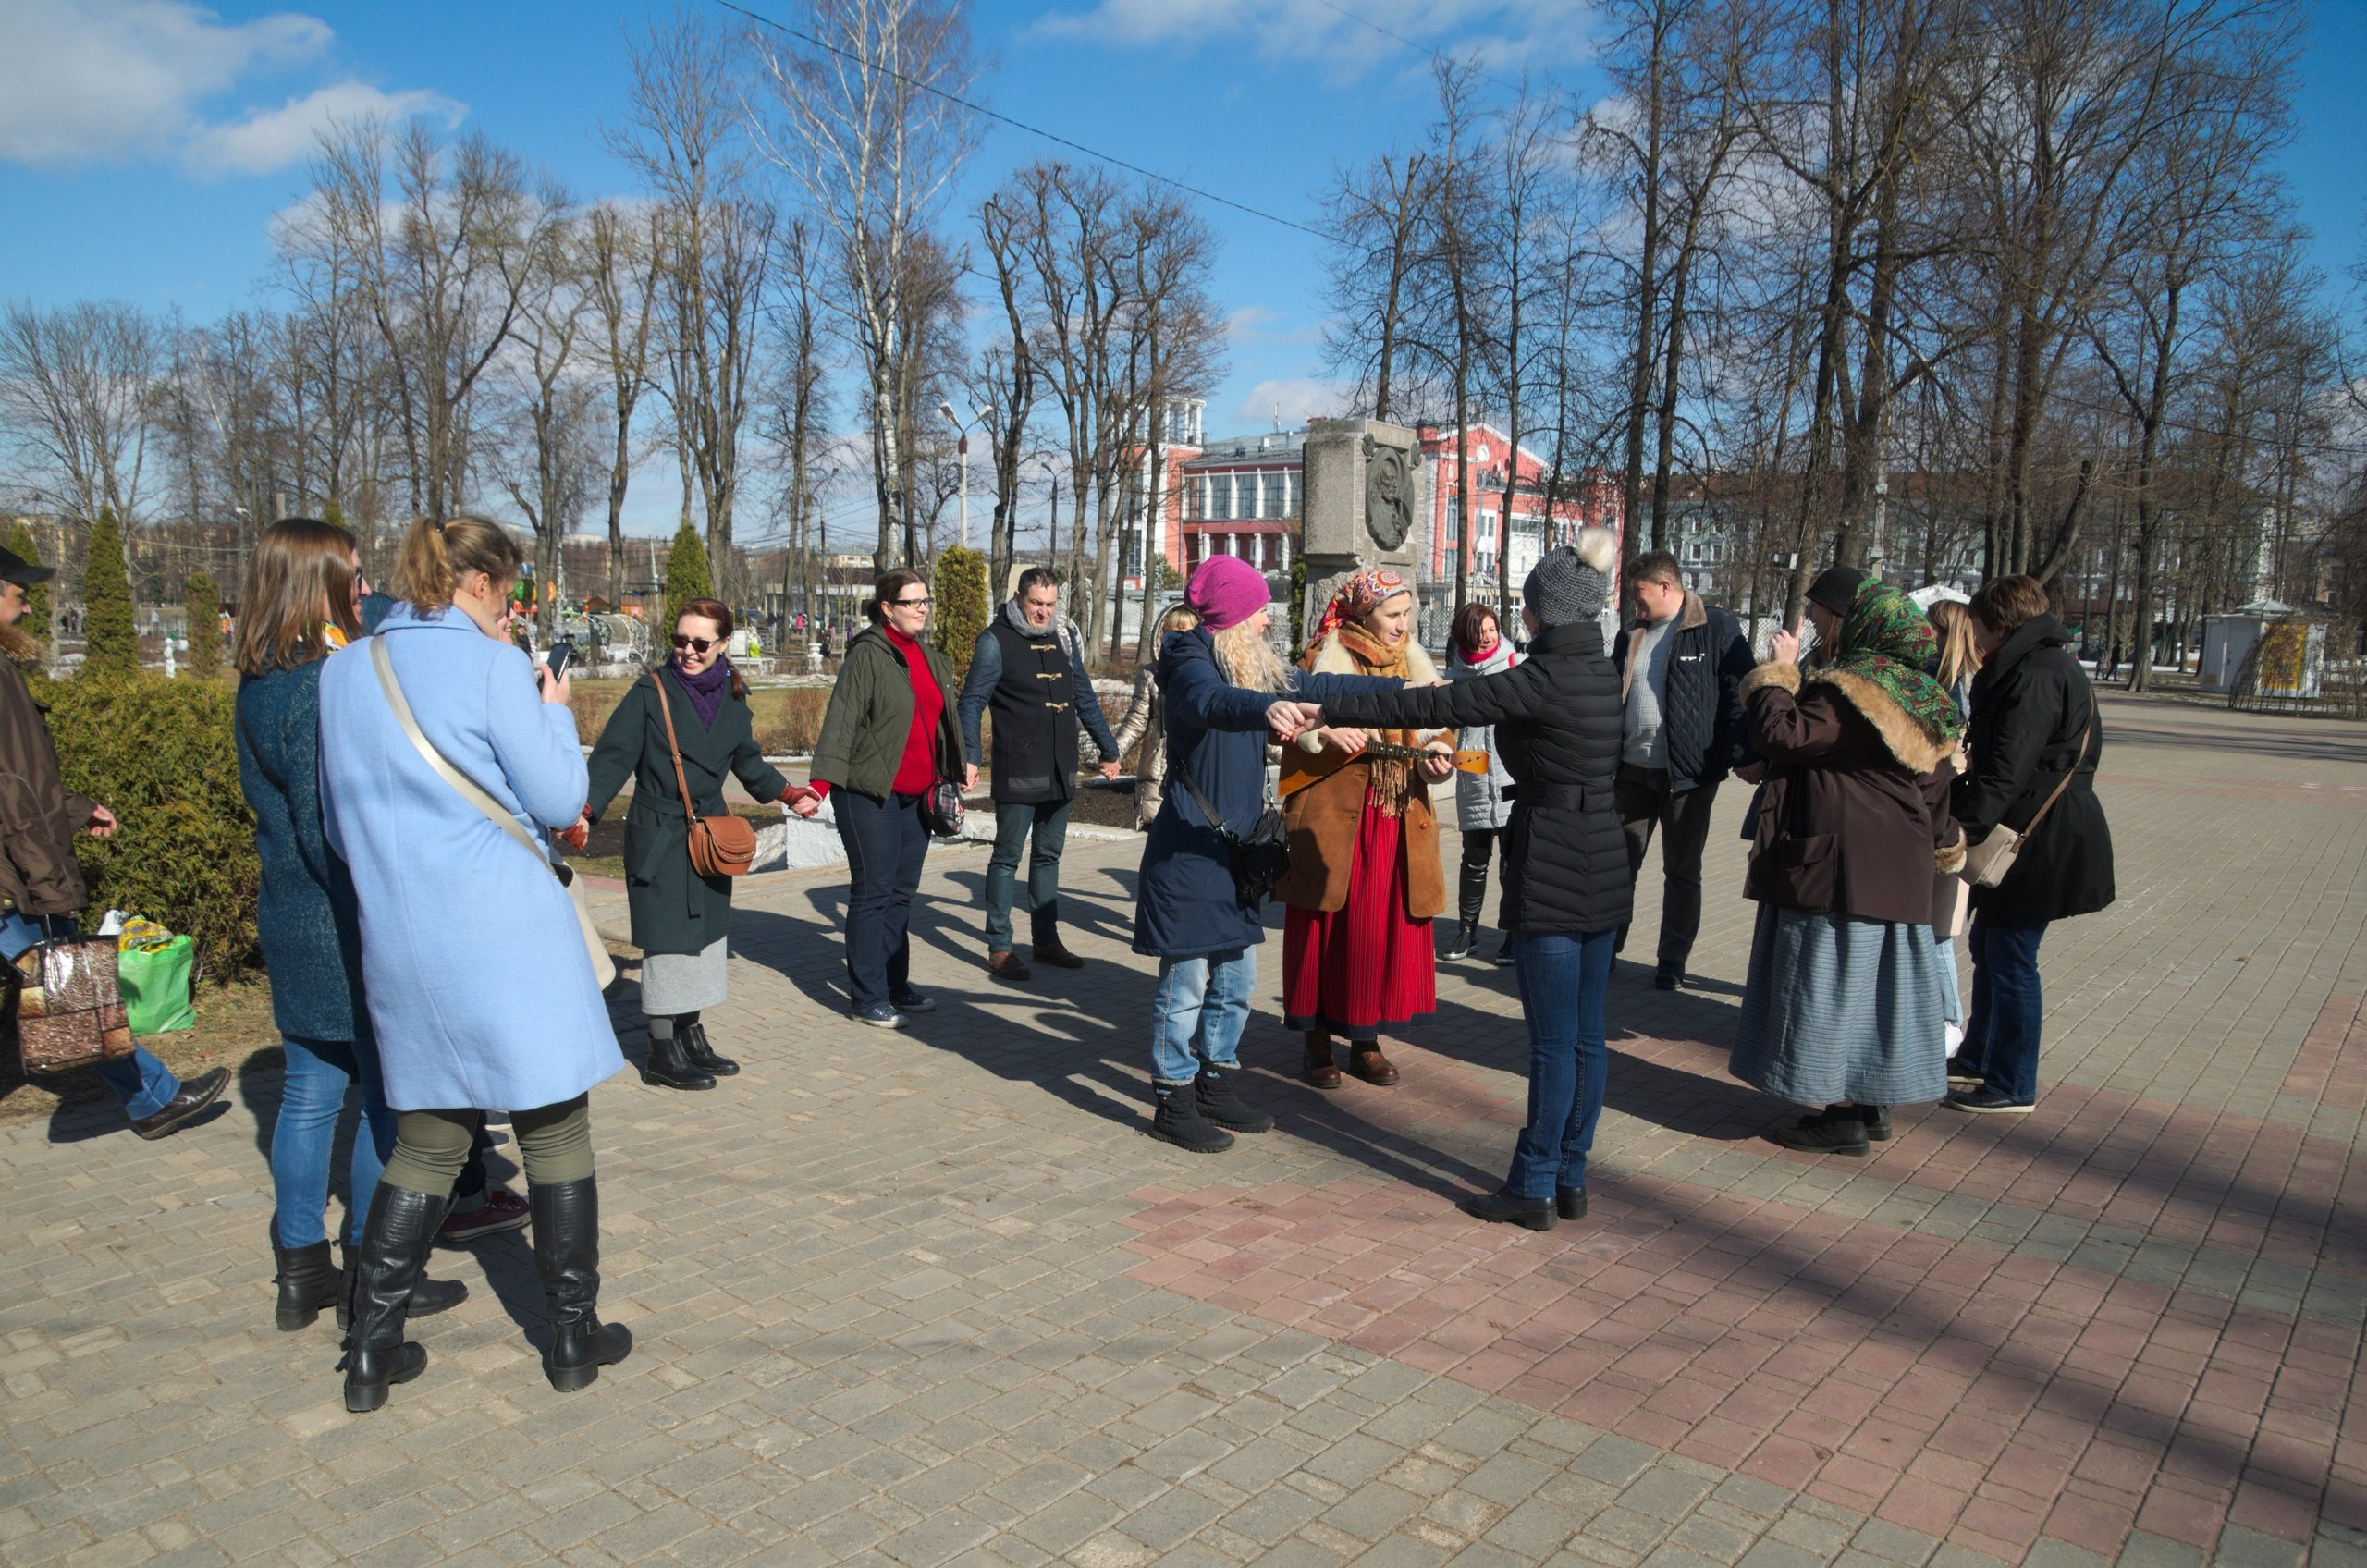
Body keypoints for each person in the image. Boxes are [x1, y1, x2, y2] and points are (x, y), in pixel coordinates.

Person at [319, 515, 632, 1413]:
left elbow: (339, 829)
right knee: (553, 1131)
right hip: (506, 933)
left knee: (427, 1138)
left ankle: (372, 1349)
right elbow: (561, 797)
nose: (514, 609)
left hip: (403, 938)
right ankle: (571, 1336)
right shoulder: (498, 667)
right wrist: (553, 707)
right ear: (482, 583)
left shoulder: (346, 670)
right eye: (511, 592)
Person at [1307, 534, 1632, 1229]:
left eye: (1528, 605)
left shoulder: (1541, 678)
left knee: (1552, 1042)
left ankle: (1534, 1183)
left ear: (1545, 611)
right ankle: (1570, 1176)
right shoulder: (1601, 671)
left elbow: (1425, 709)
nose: (1522, 616)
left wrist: (1319, 692)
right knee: (1586, 1037)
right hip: (1606, 863)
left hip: (1551, 862)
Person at [234, 519, 469, 1331]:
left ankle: (302, 1269)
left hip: (290, 912)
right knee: (384, 1104)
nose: (367, 588)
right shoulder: (315, 685)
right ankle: (376, 1271)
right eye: (354, 576)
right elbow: (322, 823)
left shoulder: (261, 679)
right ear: (317, 586)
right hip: (338, 916)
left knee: (307, 1095)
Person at [1131, 555, 1401, 1152]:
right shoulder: (1189, 656)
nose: (1264, 624)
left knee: (1236, 980)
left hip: (1238, 856)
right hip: (1190, 854)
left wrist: (1410, 693)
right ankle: (1173, 1096)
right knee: (1185, 987)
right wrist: (1265, 709)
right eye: (1256, 613)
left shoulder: (1248, 662)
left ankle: (1216, 1079)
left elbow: (1329, 686)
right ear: (1229, 617)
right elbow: (1207, 703)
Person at [1726, 567, 1967, 1157]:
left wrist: (1777, 676)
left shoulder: (1853, 688)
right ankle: (1870, 1106)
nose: (1811, 625)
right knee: (1877, 992)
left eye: (1820, 617)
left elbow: (1783, 735)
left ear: (1852, 621)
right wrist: (1943, 843)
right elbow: (1935, 784)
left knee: (1832, 988)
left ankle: (1841, 1117)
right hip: (1896, 862)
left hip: (1842, 863)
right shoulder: (1917, 690)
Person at [0, 544, 227, 1140]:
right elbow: (12, 793)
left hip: (12, 866)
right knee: (70, 983)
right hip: (9, 876)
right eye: (20, 595)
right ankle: (153, 1097)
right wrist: (48, 884)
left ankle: (153, 1097)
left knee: (72, 986)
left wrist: (75, 808)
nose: (26, 609)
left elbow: (24, 777)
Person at [584, 598, 790, 1090]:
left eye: (701, 643)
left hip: (709, 835)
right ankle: (660, 1050)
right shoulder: (649, 692)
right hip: (661, 833)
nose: (688, 651)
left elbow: (749, 761)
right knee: (667, 942)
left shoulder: (733, 697)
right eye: (679, 641)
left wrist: (787, 792)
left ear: (723, 645)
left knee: (705, 938)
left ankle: (689, 1032)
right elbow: (612, 757)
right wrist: (584, 810)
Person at [1280, 568, 1456, 1091]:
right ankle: (1313, 1036)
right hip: (1334, 819)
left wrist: (1438, 752)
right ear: (1362, 615)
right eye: (1393, 615)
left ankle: (1365, 1038)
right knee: (1324, 927)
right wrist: (1323, 736)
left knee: (1378, 931)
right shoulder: (1319, 660)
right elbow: (1286, 730)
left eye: (1407, 614)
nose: (1403, 625)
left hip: (1397, 817)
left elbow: (1441, 726)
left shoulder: (1417, 664)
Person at [1946, 574, 2116, 1114]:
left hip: (2036, 837)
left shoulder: (2038, 672)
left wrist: (1961, 826)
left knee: (2012, 957)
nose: (1971, 634)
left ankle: (2013, 1082)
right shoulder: (2039, 664)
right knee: (1990, 949)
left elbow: (2007, 769)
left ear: (1998, 622)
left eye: (1976, 623)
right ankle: (1980, 1058)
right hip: (2027, 831)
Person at [787, 569, 966, 1029]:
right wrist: (820, 786)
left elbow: (944, 719)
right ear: (887, 608)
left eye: (926, 600)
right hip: (868, 793)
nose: (923, 608)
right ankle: (867, 997)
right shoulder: (867, 656)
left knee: (902, 895)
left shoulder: (930, 657)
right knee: (873, 892)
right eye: (912, 602)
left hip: (917, 797)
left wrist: (957, 764)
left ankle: (894, 984)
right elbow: (842, 722)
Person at [957, 568, 1122, 983]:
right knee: (1007, 856)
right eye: (1036, 604)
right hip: (1019, 767)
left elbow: (1083, 695)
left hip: (1060, 767)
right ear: (1019, 597)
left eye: (1050, 605)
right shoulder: (994, 641)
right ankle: (999, 946)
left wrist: (1109, 747)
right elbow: (971, 702)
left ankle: (1046, 940)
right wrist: (970, 757)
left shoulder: (1063, 637)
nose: (1043, 612)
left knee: (1049, 856)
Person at [1612, 550, 1755, 991]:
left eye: (1639, 594)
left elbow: (1740, 693)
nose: (1635, 604)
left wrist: (1742, 752)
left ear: (1666, 587)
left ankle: (1672, 960)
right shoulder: (1630, 635)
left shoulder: (1715, 627)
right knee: (1619, 865)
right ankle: (1606, 949)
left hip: (1689, 776)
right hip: (1632, 771)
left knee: (1682, 869)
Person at [1441, 603, 1519, 965]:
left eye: (1492, 628)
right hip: (1472, 769)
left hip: (1509, 769)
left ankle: (1513, 934)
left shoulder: (1514, 663)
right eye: (1481, 631)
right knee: (1474, 857)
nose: (1488, 636)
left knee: (1513, 860)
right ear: (1465, 635)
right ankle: (1467, 932)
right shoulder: (1455, 673)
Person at [1110, 603, 1202, 830]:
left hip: (1197, 766)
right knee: (1159, 842)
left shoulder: (1207, 674)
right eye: (1174, 632)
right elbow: (1136, 721)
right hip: (1159, 770)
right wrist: (1113, 754)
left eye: (1188, 633)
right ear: (1162, 635)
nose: (1180, 639)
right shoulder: (1151, 674)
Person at [1927, 598, 1981, 724]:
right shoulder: (1933, 667)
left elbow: (1955, 728)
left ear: (1948, 633)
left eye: (1927, 625)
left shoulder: (1964, 679)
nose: (1920, 629)